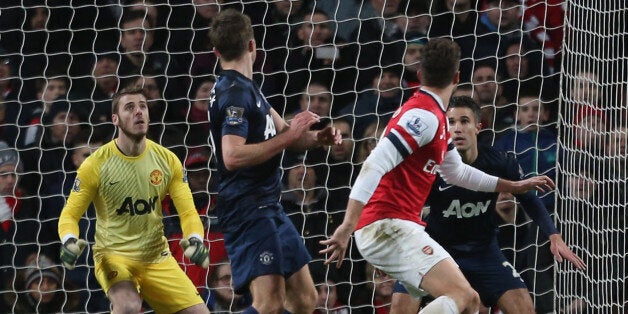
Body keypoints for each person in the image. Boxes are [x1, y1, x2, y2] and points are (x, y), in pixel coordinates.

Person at [320, 38, 555, 314]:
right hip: (386, 226)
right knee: (464, 297)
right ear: (457, 76)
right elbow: (373, 164)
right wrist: (347, 226)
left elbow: (457, 172)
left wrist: (513, 186)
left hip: (399, 227)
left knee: (469, 303)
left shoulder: (434, 116)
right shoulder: (422, 117)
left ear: (419, 75)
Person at [389, 96, 585, 313]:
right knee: (400, 307)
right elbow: (403, 210)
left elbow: (528, 197)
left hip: (482, 251)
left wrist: (554, 236)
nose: (458, 129)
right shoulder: (431, 166)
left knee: (524, 307)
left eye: (464, 121)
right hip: (435, 250)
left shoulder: (499, 161)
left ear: (478, 126)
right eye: (451, 123)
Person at [208, 9, 342, 313]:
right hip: (246, 208)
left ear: (216, 52)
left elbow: (287, 134)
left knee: (305, 300)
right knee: (269, 305)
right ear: (253, 46)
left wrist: (318, 139)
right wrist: (290, 135)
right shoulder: (233, 95)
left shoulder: (250, 89)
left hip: (269, 207)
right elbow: (232, 155)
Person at [57, 87, 210, 314]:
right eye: (130, 107)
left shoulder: (168, 160)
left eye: (142, 106)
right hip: (114, 256)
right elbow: (70, 214)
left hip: (157, 257)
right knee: (128, 306)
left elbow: (188, 213)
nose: (139, 112)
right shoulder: (96, 164)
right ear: (115, 119)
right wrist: (69, 239)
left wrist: (196, 238)